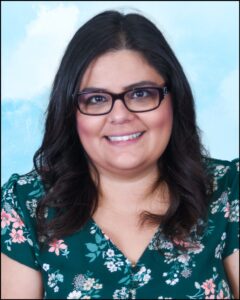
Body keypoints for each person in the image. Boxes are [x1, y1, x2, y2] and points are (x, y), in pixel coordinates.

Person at [1, 10, 239, 300]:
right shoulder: (26, 206)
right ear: (70, 111)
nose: (120, 115)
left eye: (141, 94)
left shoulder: (228, 192)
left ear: (174, 98)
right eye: (96, 99)